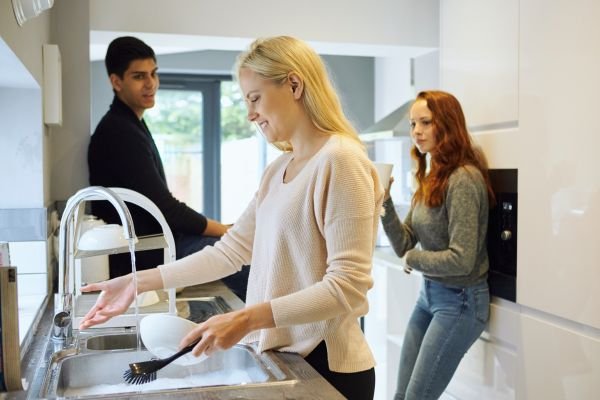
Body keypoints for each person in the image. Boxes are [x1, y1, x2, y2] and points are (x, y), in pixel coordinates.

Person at [80, 35, 384, 400]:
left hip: (327, 366)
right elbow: (230, 251)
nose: (250, 113)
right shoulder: (278, 169)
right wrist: (137, 282)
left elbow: (346, 287)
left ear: (294, 84)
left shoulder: (341, 160)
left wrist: (245, 319)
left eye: (255, 98)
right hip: (284, 356)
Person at [87, 36, 249, 300]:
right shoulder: (119, 131)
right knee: (232, 252)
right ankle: (276, 321)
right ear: (116, 82)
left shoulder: (129, 124)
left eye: (153, 73)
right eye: (139, 76)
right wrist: (224, 230)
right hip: (146, 251)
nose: (151, 83)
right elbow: (166, 208)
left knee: (232, 247)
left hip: (157, 242)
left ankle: (273, 319)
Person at [381, 90, 495, 400]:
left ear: (446, 124)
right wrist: (384, 202)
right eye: (413, 124)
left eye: (425, 122)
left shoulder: (463, 179)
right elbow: (403, 243)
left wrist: (413, 259)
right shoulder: (432, 177)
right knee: (401, 396)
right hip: (429, 296)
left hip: (461, 302)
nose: (416, 131)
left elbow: (462, 259)